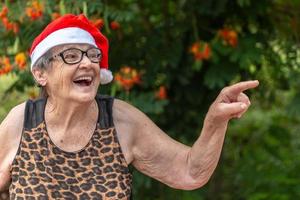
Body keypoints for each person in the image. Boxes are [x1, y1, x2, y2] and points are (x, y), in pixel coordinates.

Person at [0, 14, 259, 199]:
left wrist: (215, 121)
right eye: (71, 56)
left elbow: (190, 173)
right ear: (40, 74)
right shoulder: (21, 122)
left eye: (93, 56)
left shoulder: (121, 121)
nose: (87, 63)